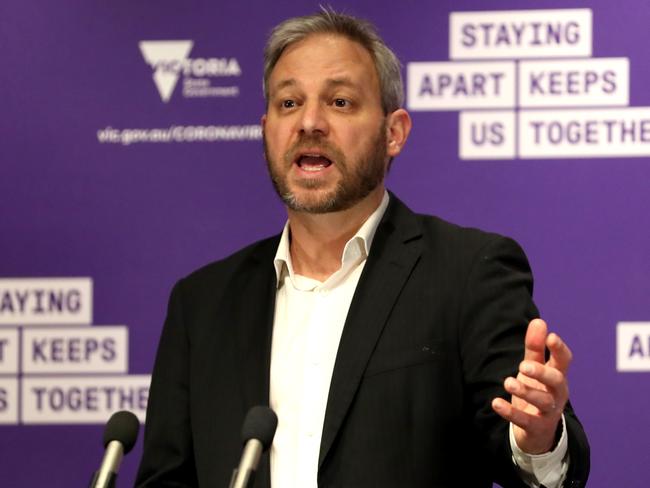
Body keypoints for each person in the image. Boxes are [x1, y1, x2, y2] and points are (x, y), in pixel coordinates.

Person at [136, 9, 589, 488]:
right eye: (289, 103)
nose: (309, 123)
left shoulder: (467, 273)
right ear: (266, 128)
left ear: (393, 132)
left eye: (340, 102)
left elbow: (535, 452)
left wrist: (536, 439)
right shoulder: (202, 304)